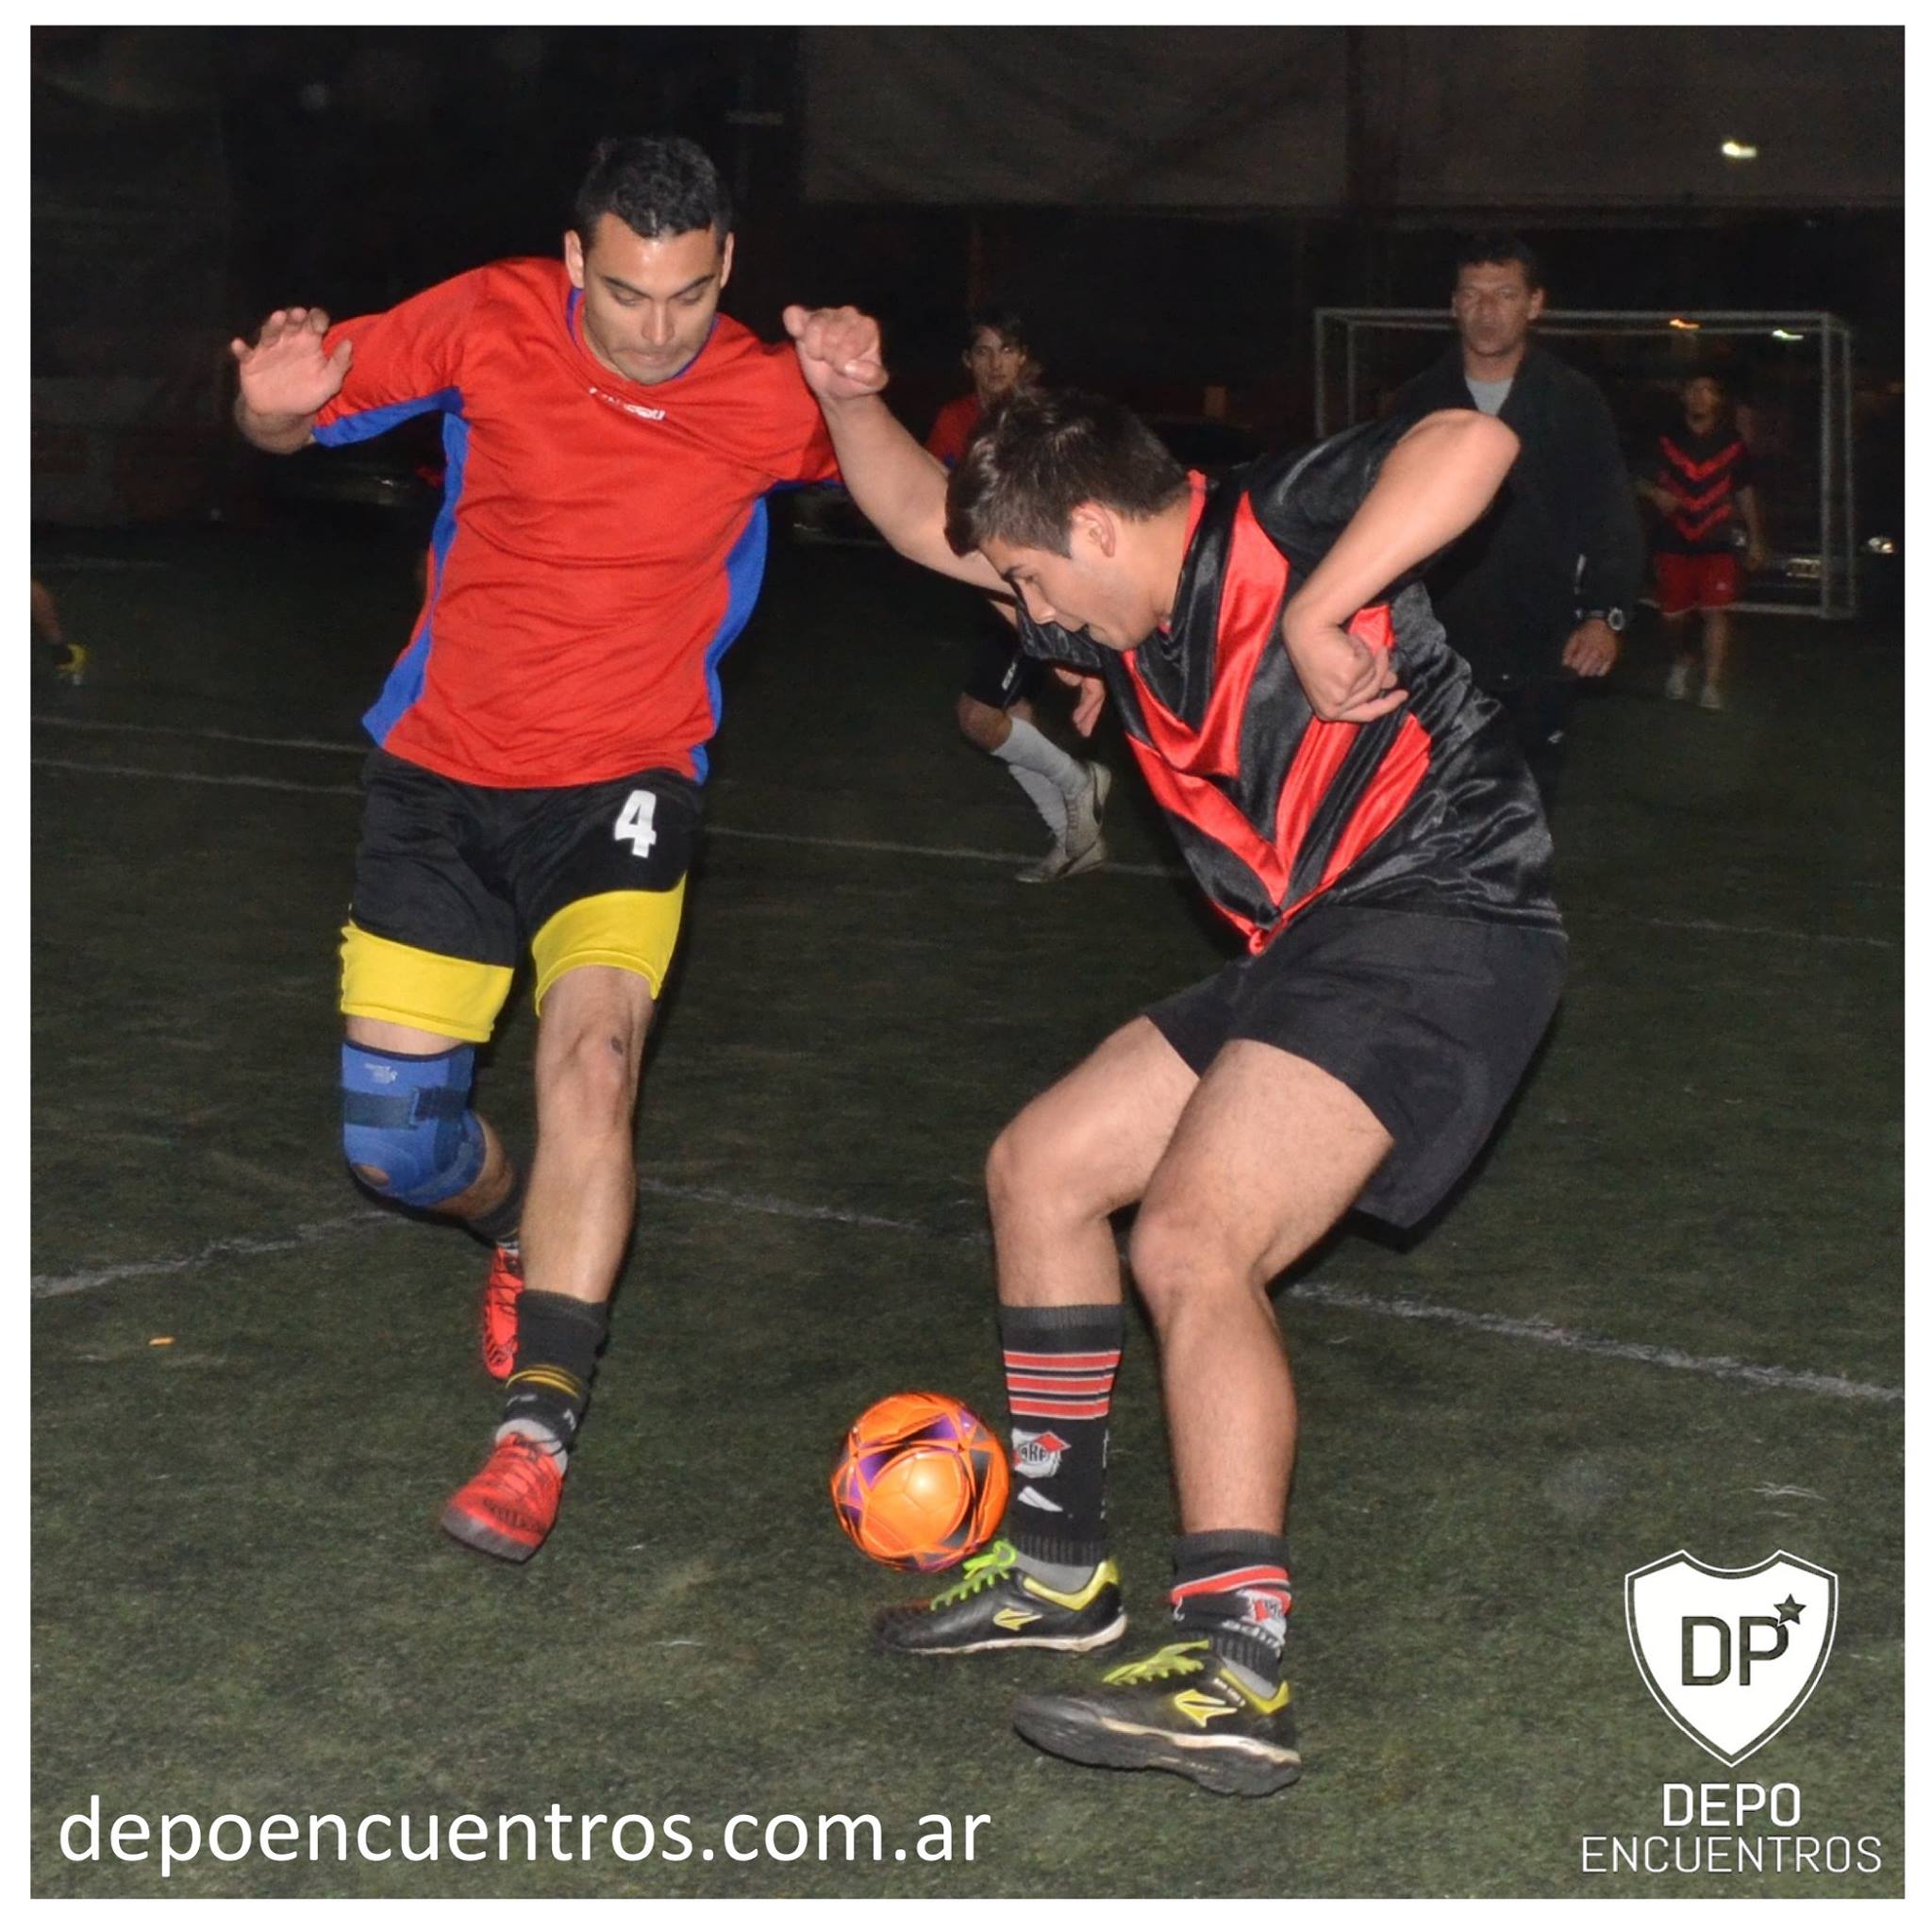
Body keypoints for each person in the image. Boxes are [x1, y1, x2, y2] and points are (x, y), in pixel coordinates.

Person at [785, 305, 1566, 1797]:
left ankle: (1237, 1664)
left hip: (1441, 914)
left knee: (1195, 1237)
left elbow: (1470, 442)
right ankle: (1058, 1567)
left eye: (1031, 578)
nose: (1027, 612)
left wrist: (1325, 606)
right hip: (1310, 944)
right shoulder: (1104, 604)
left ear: (1096, 524)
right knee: (1043, 1166)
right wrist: (845, 395)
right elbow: (913, 514)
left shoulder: (1276, 518)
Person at [229, 137, 839, 1564]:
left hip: (627, 781)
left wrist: (864, 391)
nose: (658, 329)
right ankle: (512, 1224)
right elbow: (292, 420)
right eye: (625, 293)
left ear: (728, 267)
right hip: (440, 775)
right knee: (396, 1149)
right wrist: (266, 408)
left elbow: (928, 506)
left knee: (595, 1061)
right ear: (575, 261)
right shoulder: (487, 316)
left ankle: (537, 1430)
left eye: (688, 295)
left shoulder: (766, 389)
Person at [1395, 234, 1644, 807]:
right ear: (1453, 305)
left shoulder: (1573, 400)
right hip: (1436, 646)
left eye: (1505, 294)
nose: (1487, 311)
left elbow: (1609, 513)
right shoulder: (1416, 403)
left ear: (1534, 304)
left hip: (1541, 644)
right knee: (1431, 809)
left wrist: (1603, 616)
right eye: (1473, 295)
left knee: (1525, 807)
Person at [926, 309, 1108, 884]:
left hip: (1037, 589)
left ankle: (1081, 781)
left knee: (978, 716)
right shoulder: (956, 420)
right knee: (1016, 717)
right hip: (986, 587)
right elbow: (931, 500)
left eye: (1006, 350)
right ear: (967, 361)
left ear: (1026, 359)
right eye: (983, 351)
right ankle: (1075, 839)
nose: (995, 363)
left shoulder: (1045, 419)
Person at [1638, 372, 1767, 712]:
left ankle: (1711, 684)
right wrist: (1656, 493)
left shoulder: (1732, 444)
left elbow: (1745, 490)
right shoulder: (1665, 439)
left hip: (1717, 538)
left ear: (1718, 399)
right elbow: (1635, 477)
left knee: (1715, 611)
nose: (1699, 396)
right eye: (1693, 389)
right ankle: (1682, 660)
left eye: (1707, 390)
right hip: (1672, 537)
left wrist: (1755, 538)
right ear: (1683, 396)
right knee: (1672, 616)